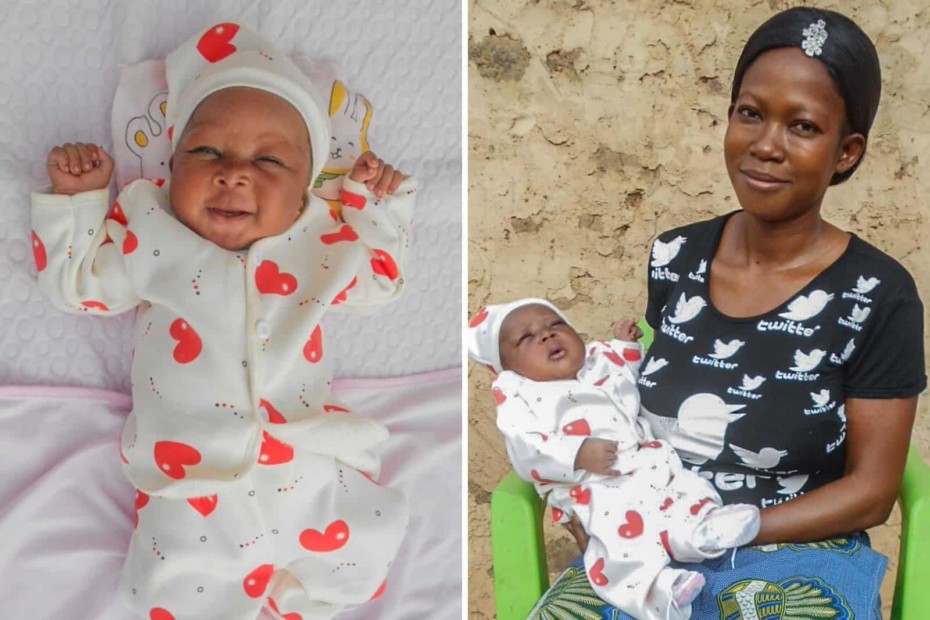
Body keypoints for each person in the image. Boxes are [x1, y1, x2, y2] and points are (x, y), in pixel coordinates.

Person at [529, 6, 925, 619]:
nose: (766, 145)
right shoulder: (675, 256)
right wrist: (601, 513)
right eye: (751, 113)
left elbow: (872, 493)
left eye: (802, 127)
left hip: (798, 549)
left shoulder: (879, 294)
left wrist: (727, 529)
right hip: (649, 540)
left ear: (846, 152)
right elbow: (640, 417)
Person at [31, 23, 416, 620]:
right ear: (173, 163)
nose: (233, 173)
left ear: (304, 193)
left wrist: (376, 205)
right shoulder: (149, 232)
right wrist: (81, 202)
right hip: (191, 476)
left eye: (268, 160)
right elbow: (80, 290)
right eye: (206, 152)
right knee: (175, 582)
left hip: (308, 459)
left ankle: (302, 602)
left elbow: (383, 281)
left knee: (364, 545)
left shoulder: (322, 239)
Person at [468, 299, 761, 620]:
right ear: (506, 366)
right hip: (592, 489)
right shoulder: (518, 395)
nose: (546, 336)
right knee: (618, 542)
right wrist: (578, 454)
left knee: (688, 488)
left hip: (648, 463)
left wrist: (627, 345)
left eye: (555, 325)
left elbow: (624, 375)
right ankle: (658, 590)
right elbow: (526, 448)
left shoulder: (597, 359)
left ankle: (700, 534)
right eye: (526, 338)